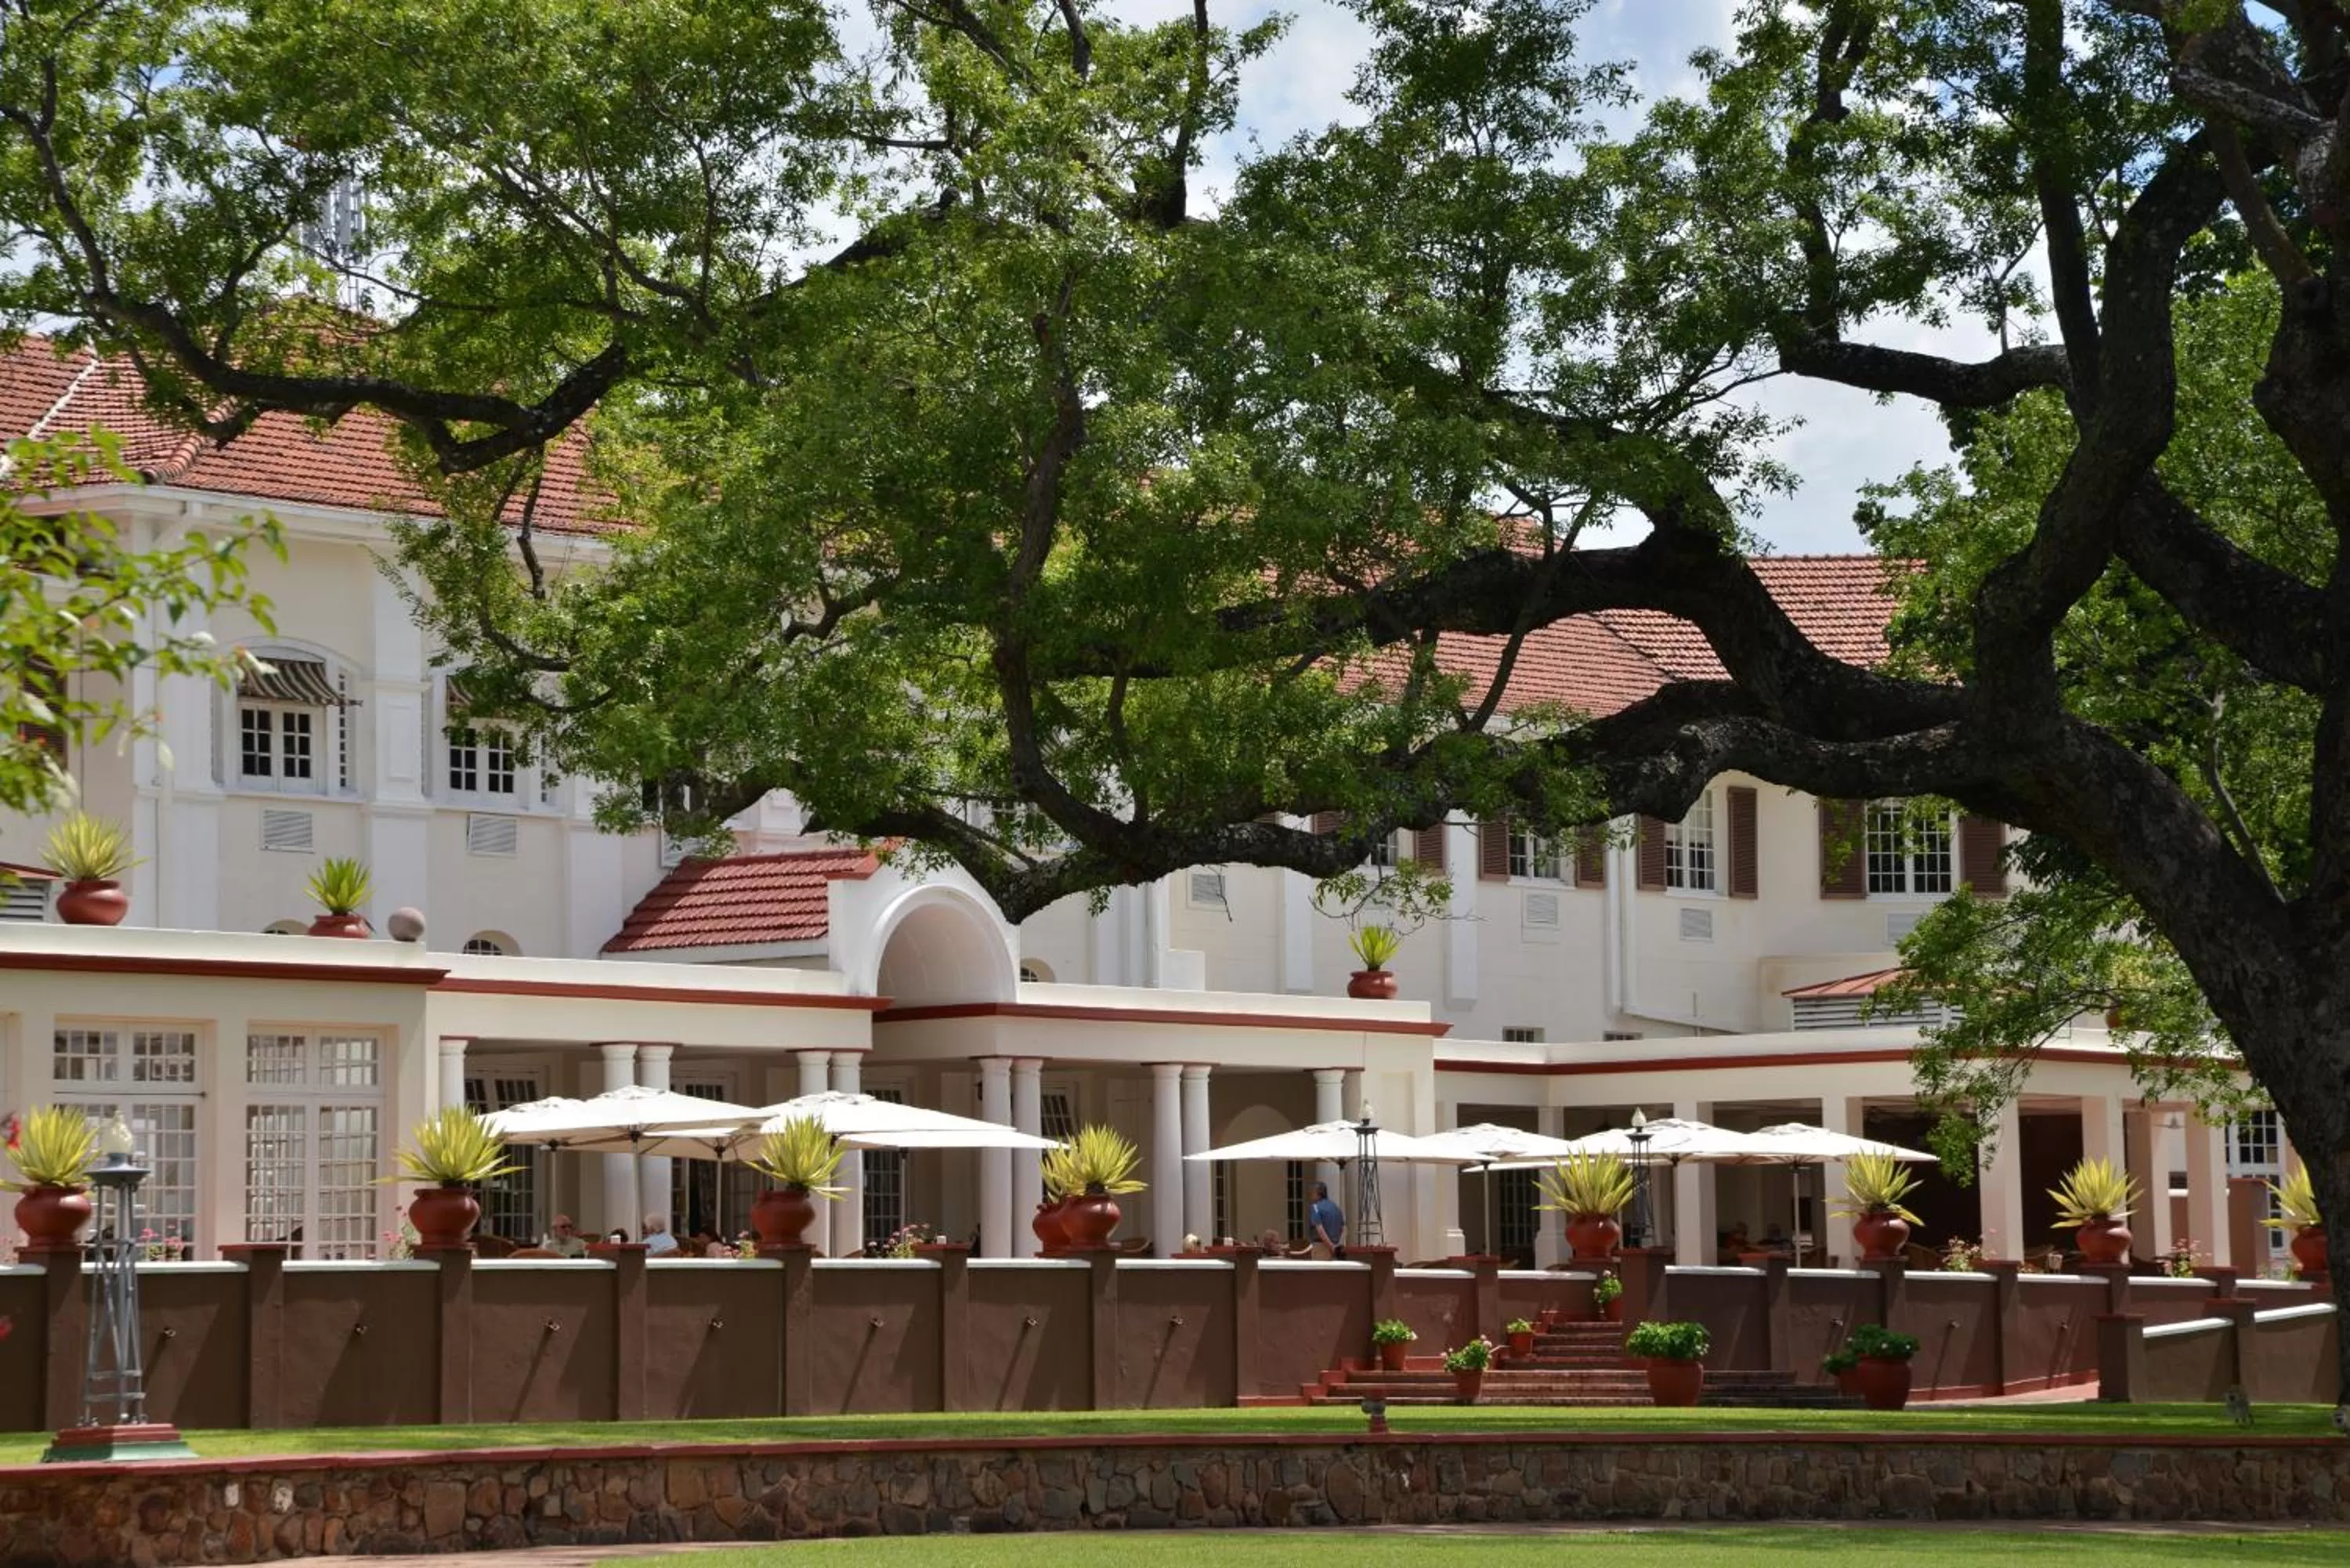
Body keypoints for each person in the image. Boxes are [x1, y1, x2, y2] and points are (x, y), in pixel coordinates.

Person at [1308, 1181, 1346, 1259]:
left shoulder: (1316, 1207)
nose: (1311, 1196)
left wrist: (1331, 1246)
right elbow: (1343, 1228)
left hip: (1321, 1246)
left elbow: (1320, 1229)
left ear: (1318, 1193)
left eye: (1313, 1193)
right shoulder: (1336, 1207)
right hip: (1336, 1245)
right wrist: (1338, 1245)